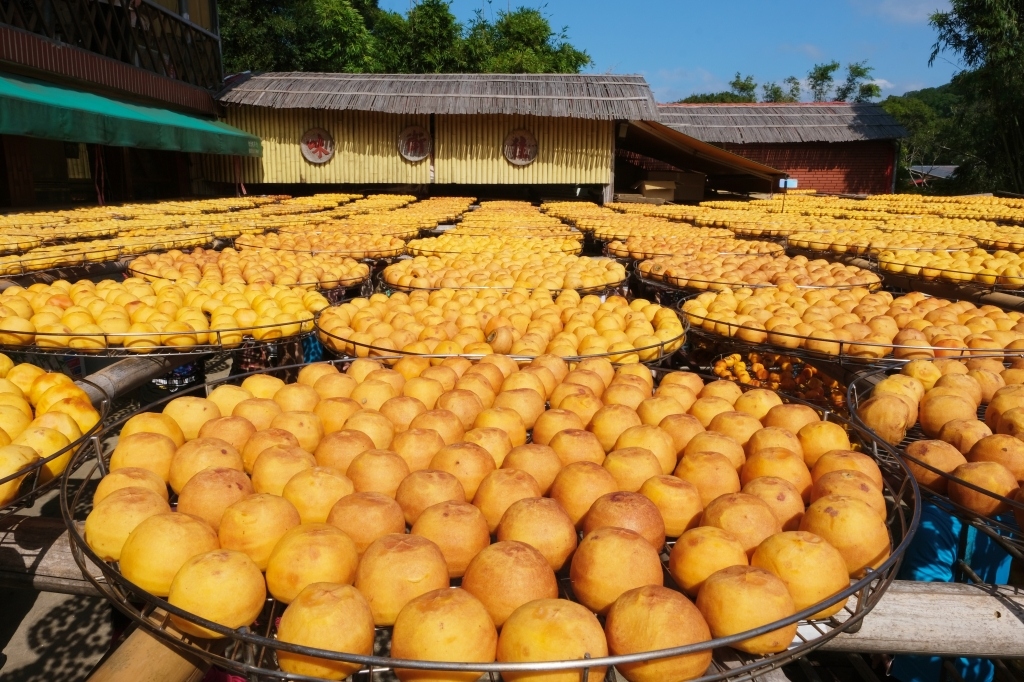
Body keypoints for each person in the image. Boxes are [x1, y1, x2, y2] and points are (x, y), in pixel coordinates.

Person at [890, 502, 1013, 682]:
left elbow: (924, 609)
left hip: (923, 670)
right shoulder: (1009, 517)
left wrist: (889, 648)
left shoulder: (933, 521)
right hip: (982, 666)